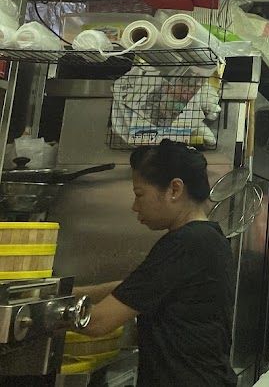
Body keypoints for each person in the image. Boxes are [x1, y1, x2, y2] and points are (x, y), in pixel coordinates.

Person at [76, 140, 236, 387]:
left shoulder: (186, 242)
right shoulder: (209, 237)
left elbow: (98, 322)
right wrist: (69, 293)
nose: (134, 206)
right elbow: (136, 289)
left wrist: (38, 317)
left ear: (174, 189)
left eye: (140, 194)